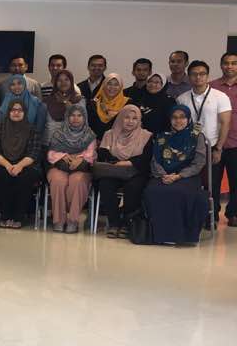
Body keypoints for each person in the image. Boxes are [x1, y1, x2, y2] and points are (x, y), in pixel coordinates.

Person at [176, 59, 232, 227]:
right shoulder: (182, 98)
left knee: (211, 184)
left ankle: (211, 217)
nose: (198, 77)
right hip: (188, 148)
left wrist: (219, 148)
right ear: (189, 76)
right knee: (190, 182)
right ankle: (191, 215)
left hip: (211, 147)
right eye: (194, 74)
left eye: (202, 74)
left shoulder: (220, 96)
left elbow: (225, 123)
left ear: (207, 76)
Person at [144, 104, 209, 245]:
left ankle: (181, 236)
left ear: (188, 119)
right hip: (163, 175)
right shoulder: (162, 137)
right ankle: (159, 235)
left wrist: (179, 176)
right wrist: (163, 175)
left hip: (188, 176)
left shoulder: (196, 137)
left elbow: (199, 162)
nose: (178, 121)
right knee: (152, 190)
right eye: (174, 117)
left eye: (182, 117)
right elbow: (155, 160)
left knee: (180, 192)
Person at [95, 104, 152, 238]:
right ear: (120, 118)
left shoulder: (146, 136)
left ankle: (127, 223)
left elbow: (146, 158)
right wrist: (116, 162)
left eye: (134, 118)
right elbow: (103, 153)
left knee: (133, 187)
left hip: (135, 171)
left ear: (139, 120)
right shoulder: (109, 134)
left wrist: (127, 162)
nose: (130, 121)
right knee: (105, 184)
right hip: (113, 170)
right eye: (127, 117)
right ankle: (114, 223)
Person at [0, 99, 42, 228]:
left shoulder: (32, 130)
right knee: (0, 175)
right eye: (13, 110)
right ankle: (4, 215)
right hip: (3, 164)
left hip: (26, 165)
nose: (16, 113)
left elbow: (34, 153)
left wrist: (19, 166)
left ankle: (19, 216)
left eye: (19, 110)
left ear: (25, 112)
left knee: (25, 177)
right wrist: (8, 165)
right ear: (8, 112)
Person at [45, 104, 97, 233]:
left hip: (81, 168)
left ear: (84, 118)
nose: (76, 118)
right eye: (72, 115)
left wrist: (80, 158)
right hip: (59, 166)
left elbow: (91, 154)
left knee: (78, 181)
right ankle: (58, 220)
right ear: (67, 117)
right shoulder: (58, 133)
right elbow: (51, 153)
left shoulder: (90, 135)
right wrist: (62, 156)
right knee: (58, 181)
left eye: (79, 115)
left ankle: (73, 220)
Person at [210, 52, 237, 226]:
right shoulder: (211, 87)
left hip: (236, 142)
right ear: (221, 65)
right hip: (215, 143)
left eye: (234, 63)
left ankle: (233, 213)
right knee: (212, 182)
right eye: (226, 63)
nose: (230, 66)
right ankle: (212, 215)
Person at [43, 69, 85, 144]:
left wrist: (67, 105)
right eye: (59, 80)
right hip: (50, 142)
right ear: (55, 83)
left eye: (66, 79)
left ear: (71, 82)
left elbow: (81, 123)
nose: (63, 82)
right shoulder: (47, 101)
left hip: (72, 142)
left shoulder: (79, 100)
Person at [89, 73, 129, 140]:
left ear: (121, 87)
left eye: (116, 84)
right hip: (95, 142)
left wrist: (107, 111)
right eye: (109, 84)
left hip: (119, 143)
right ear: (104, 85)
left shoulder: (127, 104)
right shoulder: (93, 104)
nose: (112, 87)